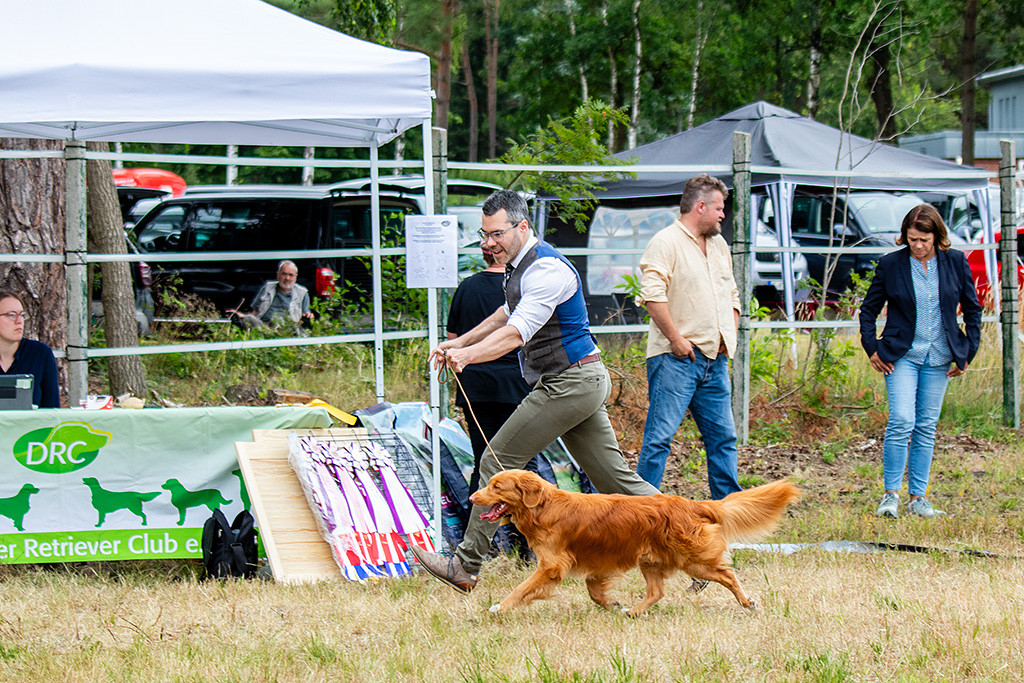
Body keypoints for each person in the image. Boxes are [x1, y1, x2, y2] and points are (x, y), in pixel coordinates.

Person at [411, 189, 659, 595]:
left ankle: (464, 565)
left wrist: (469, 356)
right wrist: (459, 343)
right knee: (615, 480)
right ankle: (689, 541)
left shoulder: (547, 271)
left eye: (496, 234)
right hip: (579, 380)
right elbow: (505, 313)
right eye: (483, 234)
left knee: (496, 459)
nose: (488, 243)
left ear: (522, 227)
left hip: (571, 383)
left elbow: (515, 333)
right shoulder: (519, 265)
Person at [859, 204, 982, 518]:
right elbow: (868, 310)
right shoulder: (891, 264)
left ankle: (918, 498)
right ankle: (890, 496)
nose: (917, 245)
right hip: (901, 356)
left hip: (940, 357)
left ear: (936, 237)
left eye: (923, 240)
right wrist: (872, 348)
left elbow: (972, 309)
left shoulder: (955, 261)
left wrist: (967, 350)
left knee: (926, 427)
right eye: (912, 239)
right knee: (901, 421)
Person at [635, 173, 743, 500]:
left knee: (723, 439)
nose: (723, 215)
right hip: (676, 360)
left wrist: (730, 333)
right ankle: (640, 514)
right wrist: (676, 340)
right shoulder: (665, 242)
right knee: (659, 439)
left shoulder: (719, 244)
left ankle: (729, 512)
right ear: (700, 207)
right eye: (720, 208)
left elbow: (733, 295)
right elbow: (652, 295)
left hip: (715, 360)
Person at [447, 247, 534, 494]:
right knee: (521, 463)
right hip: (515, 384)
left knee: (483, 460)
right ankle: (523, 530)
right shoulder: (520, 287)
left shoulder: (466, 287)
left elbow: (453, 337)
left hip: (474, 385)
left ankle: (478, 530)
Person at [0, 288, 60, 408]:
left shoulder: (40, 354)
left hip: (32, 427)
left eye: (22, 315)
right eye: (11, 315)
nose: (19, 321)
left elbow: (52, 410)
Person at [228, 260, 313, 328]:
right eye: (284, 274)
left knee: (277, 320)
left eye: (291, 275)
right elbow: (255, 311)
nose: (287, 278)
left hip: (287, 329)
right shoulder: (267, 287)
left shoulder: (302, 292)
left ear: (296, 277)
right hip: (262, 327)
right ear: (278, 275)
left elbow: (305, 315)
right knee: (246, 319)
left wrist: (309, 316)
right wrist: (244, 317)